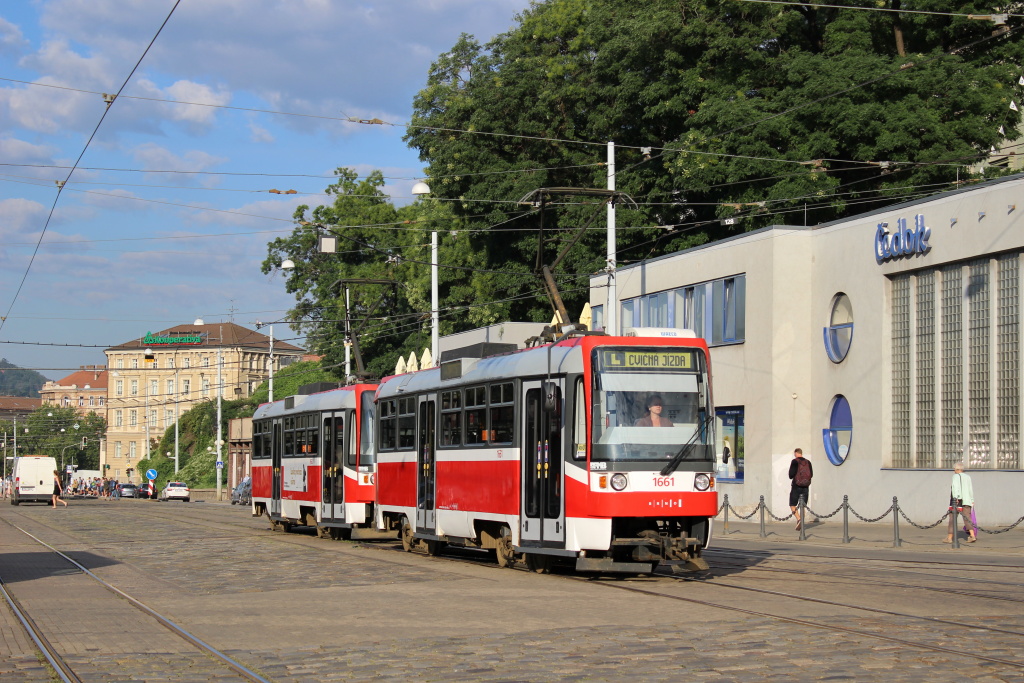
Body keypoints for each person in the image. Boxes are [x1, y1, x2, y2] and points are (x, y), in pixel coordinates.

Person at [945, 462, 977, 543]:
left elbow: (955, 487)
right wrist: (972, 500)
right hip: (967, 500)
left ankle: (949, 537)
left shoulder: (955, 476)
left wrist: (956, 498)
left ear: (956, 469)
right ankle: (972, 535)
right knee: (967, 518)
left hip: (957, 501)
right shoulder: (968, 477)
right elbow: (970, 489)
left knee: (952, 518)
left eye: (954, 469)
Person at [788, 448, 812, 530]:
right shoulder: (808, 462)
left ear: (795, 453)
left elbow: (791, 474)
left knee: (792, 504)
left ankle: (799, 519)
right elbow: (811, 474)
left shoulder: (795, 461)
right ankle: (802, 520)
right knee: (803, 505)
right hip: (805, 486)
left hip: (796, 485)